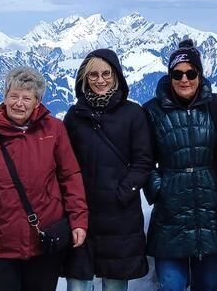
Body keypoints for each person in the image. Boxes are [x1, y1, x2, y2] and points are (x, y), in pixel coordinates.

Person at [0, 66, 89, 291]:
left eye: (26, 98)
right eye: (14, 96)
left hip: (44, 241)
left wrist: (78, 219)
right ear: (4, 98)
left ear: (37, 102)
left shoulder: (54, 130)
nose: (19, 103)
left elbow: (70, 176)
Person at [144, 38, 217, 291]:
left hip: (210, 216)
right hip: (170, 218)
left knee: (208, 287)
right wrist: (159, 188)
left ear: (200, 75)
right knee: (171, 286)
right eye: (177, 73)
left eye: (191, 72)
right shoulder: (152, 111)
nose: (184, 79)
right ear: (170, 76)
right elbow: (142, 158)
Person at [63, 49, 154, 291]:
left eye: (106, 74)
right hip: (83, 213)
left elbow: (144, 160)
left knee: (114, 285)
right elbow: (63, 162)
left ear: (116, 76)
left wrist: (123, 191)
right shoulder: (74, 116)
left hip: (119, 216)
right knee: (77, 284)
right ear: (84, 78)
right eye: (93, 75)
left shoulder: (134, 114)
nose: (100, 80)